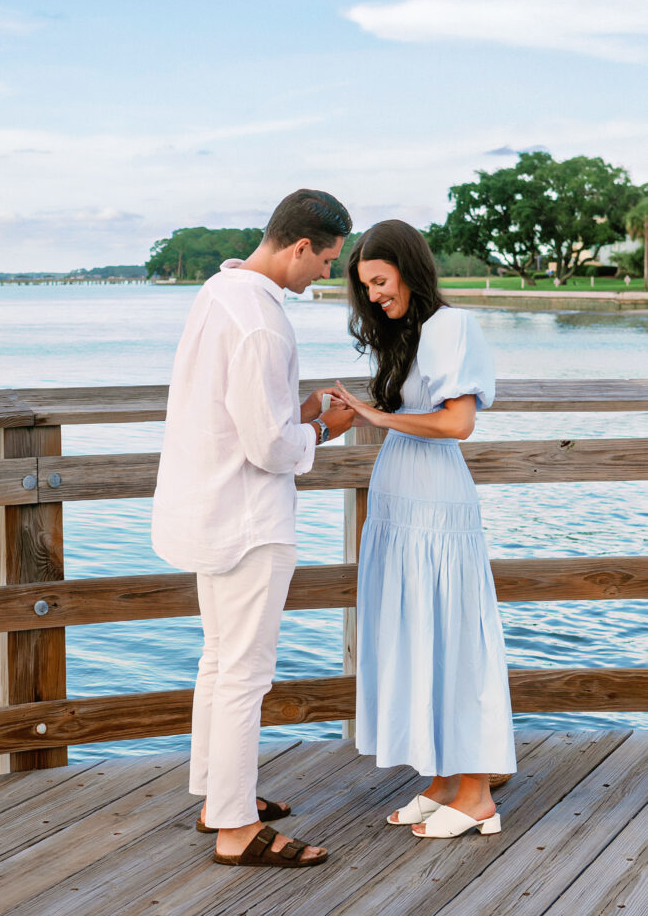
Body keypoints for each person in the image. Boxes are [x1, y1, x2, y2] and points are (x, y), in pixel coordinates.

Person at [151, 189, 355, 868]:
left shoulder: (220, 291)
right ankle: (236, 830)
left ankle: (218, 795)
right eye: (326, 259)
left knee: (218, 658)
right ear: (300, 247)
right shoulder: (264, 324)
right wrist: (323, 425)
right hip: (246, 518)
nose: (325, 273)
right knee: (245, 673)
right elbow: (270, 449)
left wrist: (290, 410)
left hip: (204, 505)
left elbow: (240, 410)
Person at [334, 220, 516, 841]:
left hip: (436, 503)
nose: (376, 296)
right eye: (367, 288)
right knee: (416, 633)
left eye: (381, 282)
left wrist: (374, 414)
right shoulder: (406, 334)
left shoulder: (452, 326)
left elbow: (457, 423)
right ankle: (442, 781)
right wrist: (349, 411)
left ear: (409, 268)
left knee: (453, 635)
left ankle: (477, 794)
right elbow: (410, 413)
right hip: (398, 500)